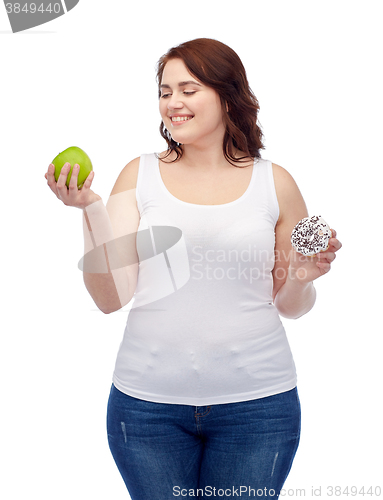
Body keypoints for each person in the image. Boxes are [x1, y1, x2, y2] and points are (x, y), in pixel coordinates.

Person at [45, 38, 342, 499]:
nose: (173, 103)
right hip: (146, 412)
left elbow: (291, 306)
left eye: (188, 89)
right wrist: (90, 208)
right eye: (165, 92)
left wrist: (302, 273)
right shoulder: (138, 174)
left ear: (228, 96)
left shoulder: (275, 182)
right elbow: (110, 299)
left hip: (259, 410)